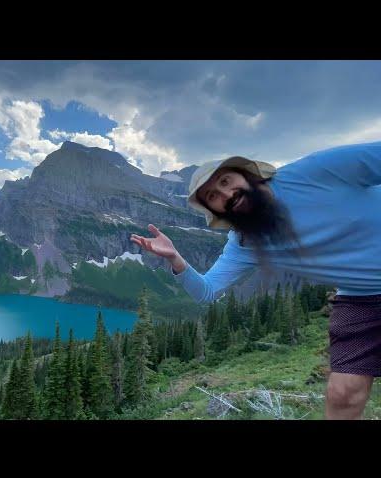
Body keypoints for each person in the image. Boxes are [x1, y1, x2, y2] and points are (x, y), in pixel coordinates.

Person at [131, 141, 381, 420]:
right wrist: (175, 258)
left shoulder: (313, 172)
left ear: (246, 174)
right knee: (342, 394)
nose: (226, 194)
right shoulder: (244, 242)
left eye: (226, 181)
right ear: (214, 210)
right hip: (361, 296)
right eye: (213, 195)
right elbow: (207, 291)